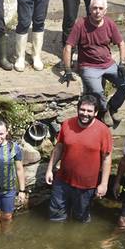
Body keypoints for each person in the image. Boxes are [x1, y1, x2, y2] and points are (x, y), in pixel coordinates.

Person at [61, 0, 125, 126]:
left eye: (100, 8)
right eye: (94, 8)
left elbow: (122, 44)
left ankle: (113, 106)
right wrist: (67, 70)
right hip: (89, 66)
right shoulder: (81, 24)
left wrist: (122, 64)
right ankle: (104, 110)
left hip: (108, 64)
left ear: (105, 11)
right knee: (97, 91)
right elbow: (68, 46)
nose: (97, 11)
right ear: (89, 9)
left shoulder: (110, 23)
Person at [45, 94, 112, 223]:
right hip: (62, 181)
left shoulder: (103, 131)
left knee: (80, 219)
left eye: (89, 111)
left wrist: (103, 184)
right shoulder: (67, 124)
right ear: (78, 109)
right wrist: (49, 169)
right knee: (55, 217)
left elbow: (106, 158)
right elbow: (59, 147)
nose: (85, 113)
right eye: (82, 109)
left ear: (96, 112)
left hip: (86, 186)